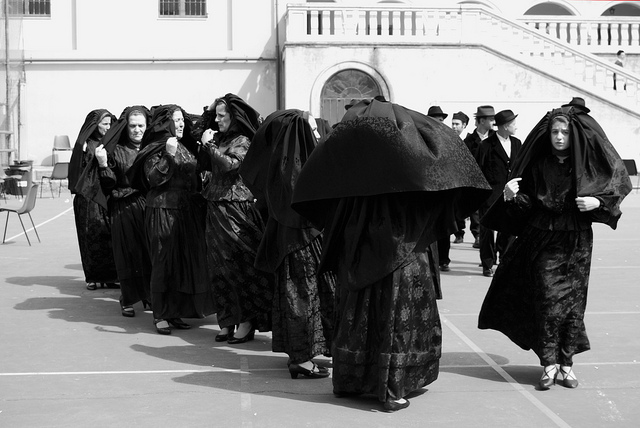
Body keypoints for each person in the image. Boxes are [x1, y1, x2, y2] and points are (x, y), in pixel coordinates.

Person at [292, 98, 491, 411]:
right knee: (394, 317)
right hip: (403, 255)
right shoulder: (405, 160)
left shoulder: (351, 160)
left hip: (362, 252)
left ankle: (351, 380)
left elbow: (319, 197)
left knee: (359, 314)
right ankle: (390, 387)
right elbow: (443, 182)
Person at [478, 106, 631, 390]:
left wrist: (598, 203)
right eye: (554, 132)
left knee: (574, 306)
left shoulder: (586, 165)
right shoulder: (538, 165)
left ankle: (567, 364)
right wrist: (512, 197)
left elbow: (617, 187)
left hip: (577, 242)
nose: (559, 137)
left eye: (564, 132)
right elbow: (529, 205)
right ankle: (548, 364)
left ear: (574, 135)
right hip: (543, 240)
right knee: (548, 302)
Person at [240, 109, 335, 379]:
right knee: (305, 298)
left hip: (288, 242)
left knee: (297, 297)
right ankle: (302, 360)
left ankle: (300, 356)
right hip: (305, 242)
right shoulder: (297, 165)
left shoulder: (279, 164)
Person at [127, 104, 213, 335]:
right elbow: (153, 179)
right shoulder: (156, 148)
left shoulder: (184, 145)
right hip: (162, 211)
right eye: (176, 120)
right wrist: (168, 155)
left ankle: (174, 311)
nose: (182, 123)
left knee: (181, 264)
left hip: (186, 213)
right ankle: (161, 315)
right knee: (163, 262)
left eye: (182, 119)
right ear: (166, 123)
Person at [198, 94, 273, 344]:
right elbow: (199, 129)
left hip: (236, 209)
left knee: (239, 266)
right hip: (215, 208)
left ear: (234, 118)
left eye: (222, 116)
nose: (216, 120)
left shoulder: (243, 140)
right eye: (216, 115)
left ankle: (247, 319)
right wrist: (211, 112)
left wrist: (208, 146)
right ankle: (227, 319)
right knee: (218, 267)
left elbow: (230, 166)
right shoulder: (218, 137)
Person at [96, 106, 152, 318]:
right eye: (133, 126)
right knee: (127, 254)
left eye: (141, 126)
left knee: (148, 253)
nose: (137, 130)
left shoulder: (152, 147)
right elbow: (109, 185)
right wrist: (103, 164)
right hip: (124, 207)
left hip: (147, 206)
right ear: (125, 127)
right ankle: (127, 299)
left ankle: (148, 295)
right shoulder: (116, 149)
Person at [68, 109, 119, 291]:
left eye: (109, 124)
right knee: (90, 237)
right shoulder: (84, 145)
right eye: (104, 124)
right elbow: (77, 171)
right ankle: (92, 277)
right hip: (88, 198)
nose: (108, 127)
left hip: (105, 195)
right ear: (94, 125)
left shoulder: (111, 144)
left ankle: (110, 276)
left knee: (108, 236)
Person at [475, 109, 522, 277]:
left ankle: (505, 260)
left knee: (508, 229)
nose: (516, 127)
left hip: (511, 193)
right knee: (487, 230)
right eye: (513, 124)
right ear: (504, 126)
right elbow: (479, 170)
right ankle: (487, 263)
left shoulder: (517, 143)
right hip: (490, 194)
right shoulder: (486, 145)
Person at [464, 105, 496, 248]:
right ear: (482, 121)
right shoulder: (470, 140)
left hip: (493, 182)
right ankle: (478, 235)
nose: (494, 122)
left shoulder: (496, 138)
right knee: (476, 210)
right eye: (491, 119)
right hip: (475, 181)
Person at [451, 111, 470, 243]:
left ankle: (462, 232)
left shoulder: (468, 141)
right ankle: (456, 232)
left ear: (464, 125)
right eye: (452, 123)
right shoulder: (447, 138)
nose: (454, 127)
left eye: (457, 124)